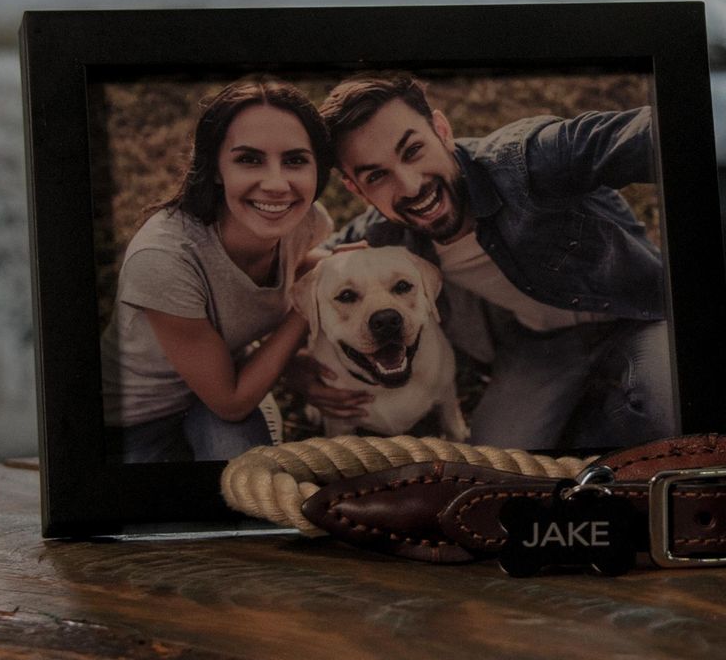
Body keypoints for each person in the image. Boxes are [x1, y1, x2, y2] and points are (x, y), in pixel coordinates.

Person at [312, 74, 676, 450]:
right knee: (495, 454)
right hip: (543, 343)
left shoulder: (527, 160)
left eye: (413, 150)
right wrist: (298, 368)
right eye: (376, 176)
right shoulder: (386, 232)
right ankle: (592, 420)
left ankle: (605, 428)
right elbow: (306, 270)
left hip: (637, 314)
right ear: (357, 190)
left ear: (441, 130)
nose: (409, 185)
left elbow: (651, 133)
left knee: (669, 406)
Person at [102, 77, 335, 463]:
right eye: (249, 159)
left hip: (222, 387)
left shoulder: (305, 222)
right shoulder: (163, 257)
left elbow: (303, 267)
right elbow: (231, 402)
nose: (277, 185)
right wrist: (306, 307)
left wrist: (334, 268)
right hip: (134, 423)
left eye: (295, 160)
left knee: (249, 494)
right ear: (213, 168)